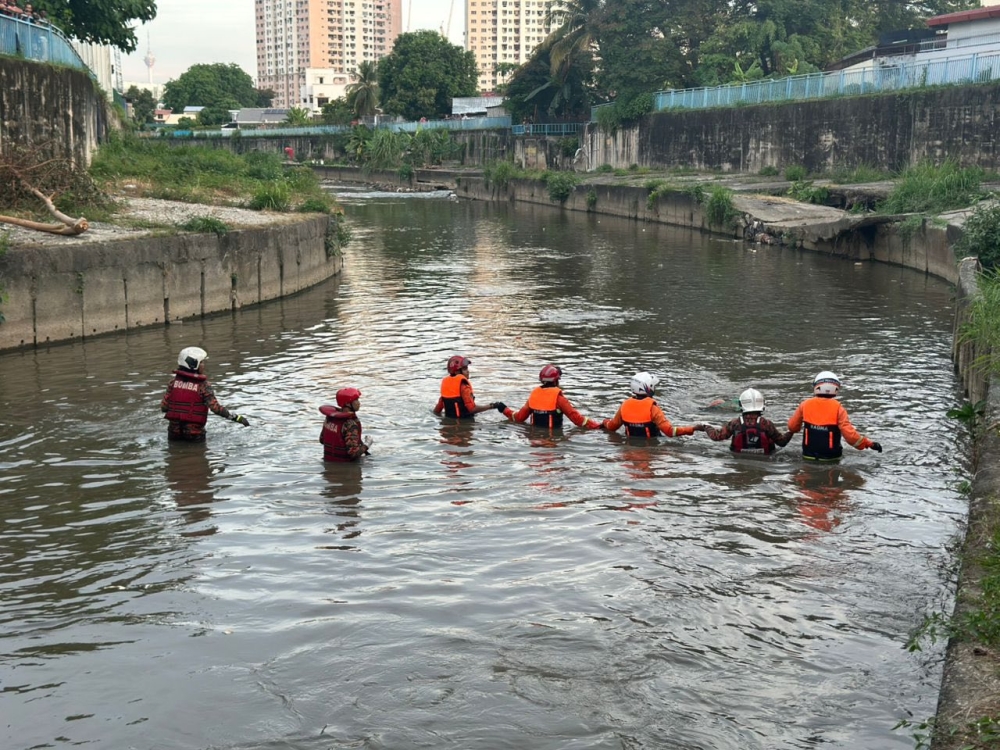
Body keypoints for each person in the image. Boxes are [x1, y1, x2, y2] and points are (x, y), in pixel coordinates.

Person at [787, 371, 882, 461]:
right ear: (836, 388)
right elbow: (851, 437)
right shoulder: (839, 408)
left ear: (816, 386)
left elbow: (792, 427)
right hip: (831, 458)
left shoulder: (805, 404)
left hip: (808, 455)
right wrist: (869, 444)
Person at [161, 346, 250, 441]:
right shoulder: (203, 386)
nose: (203, 365)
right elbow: (216, 409)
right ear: (193, 364)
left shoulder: (173, 383)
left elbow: (164, 407)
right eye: (201, 362)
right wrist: (237, 418)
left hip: (173, 434)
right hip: (195, 435)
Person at [600, 371, 707, 438]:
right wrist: (694, 428)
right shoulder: (653, 408)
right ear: (648, 387)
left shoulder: (624, 406)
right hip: (651, 449)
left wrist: (605, 422)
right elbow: (670, 432)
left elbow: (611, 427)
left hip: (630, 452)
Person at [498, 364, 602, 430]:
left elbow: (519, 418)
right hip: (553, 443)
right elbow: (578, 420)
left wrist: (504, 409)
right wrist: (600, 426)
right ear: (556, 381)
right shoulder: (560, 400)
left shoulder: (533, 396)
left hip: (534, 444)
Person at [704, 387, 793, 455]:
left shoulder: (735, 423)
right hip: (766, 458)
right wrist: (792, 430)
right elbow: (782, 442)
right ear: (762, 404)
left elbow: (715, 437)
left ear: (741, 404)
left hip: (738, 458)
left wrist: (705, 426)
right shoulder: (766, 424)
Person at [433, 355, 504, 419]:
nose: (468, 371)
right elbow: (472, 409)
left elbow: (437, 411)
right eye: (465, 369)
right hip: (464, 426)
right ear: (457, 372)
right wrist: (492, 406)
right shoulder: (464, 386)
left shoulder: (446, 385)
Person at [320, 387, 371, 462]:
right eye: (356, 400)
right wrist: (367, 444)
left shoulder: (329, 419)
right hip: (346, 468)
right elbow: (353, 454)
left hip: (328, 463)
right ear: (347, 403)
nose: (359, 403)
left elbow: (322, 440)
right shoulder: (350, 424)